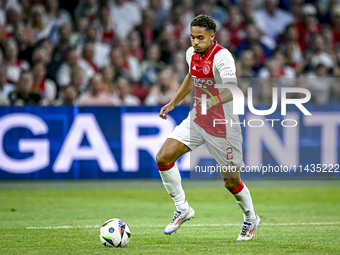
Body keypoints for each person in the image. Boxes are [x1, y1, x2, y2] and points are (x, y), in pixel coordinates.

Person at [156, 15, 260, 241]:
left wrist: (210, 101)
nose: (195, 42)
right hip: (198, 119)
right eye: (192, 37)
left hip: (223, 125)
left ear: (212, 37)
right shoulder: (191, 53)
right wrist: (173, 102)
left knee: (230, 181)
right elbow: (192, 77)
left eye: (200, 38)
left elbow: (232, 90)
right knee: (163, 158)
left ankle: (251, 218)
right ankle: (182, 208)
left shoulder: (222, 57)